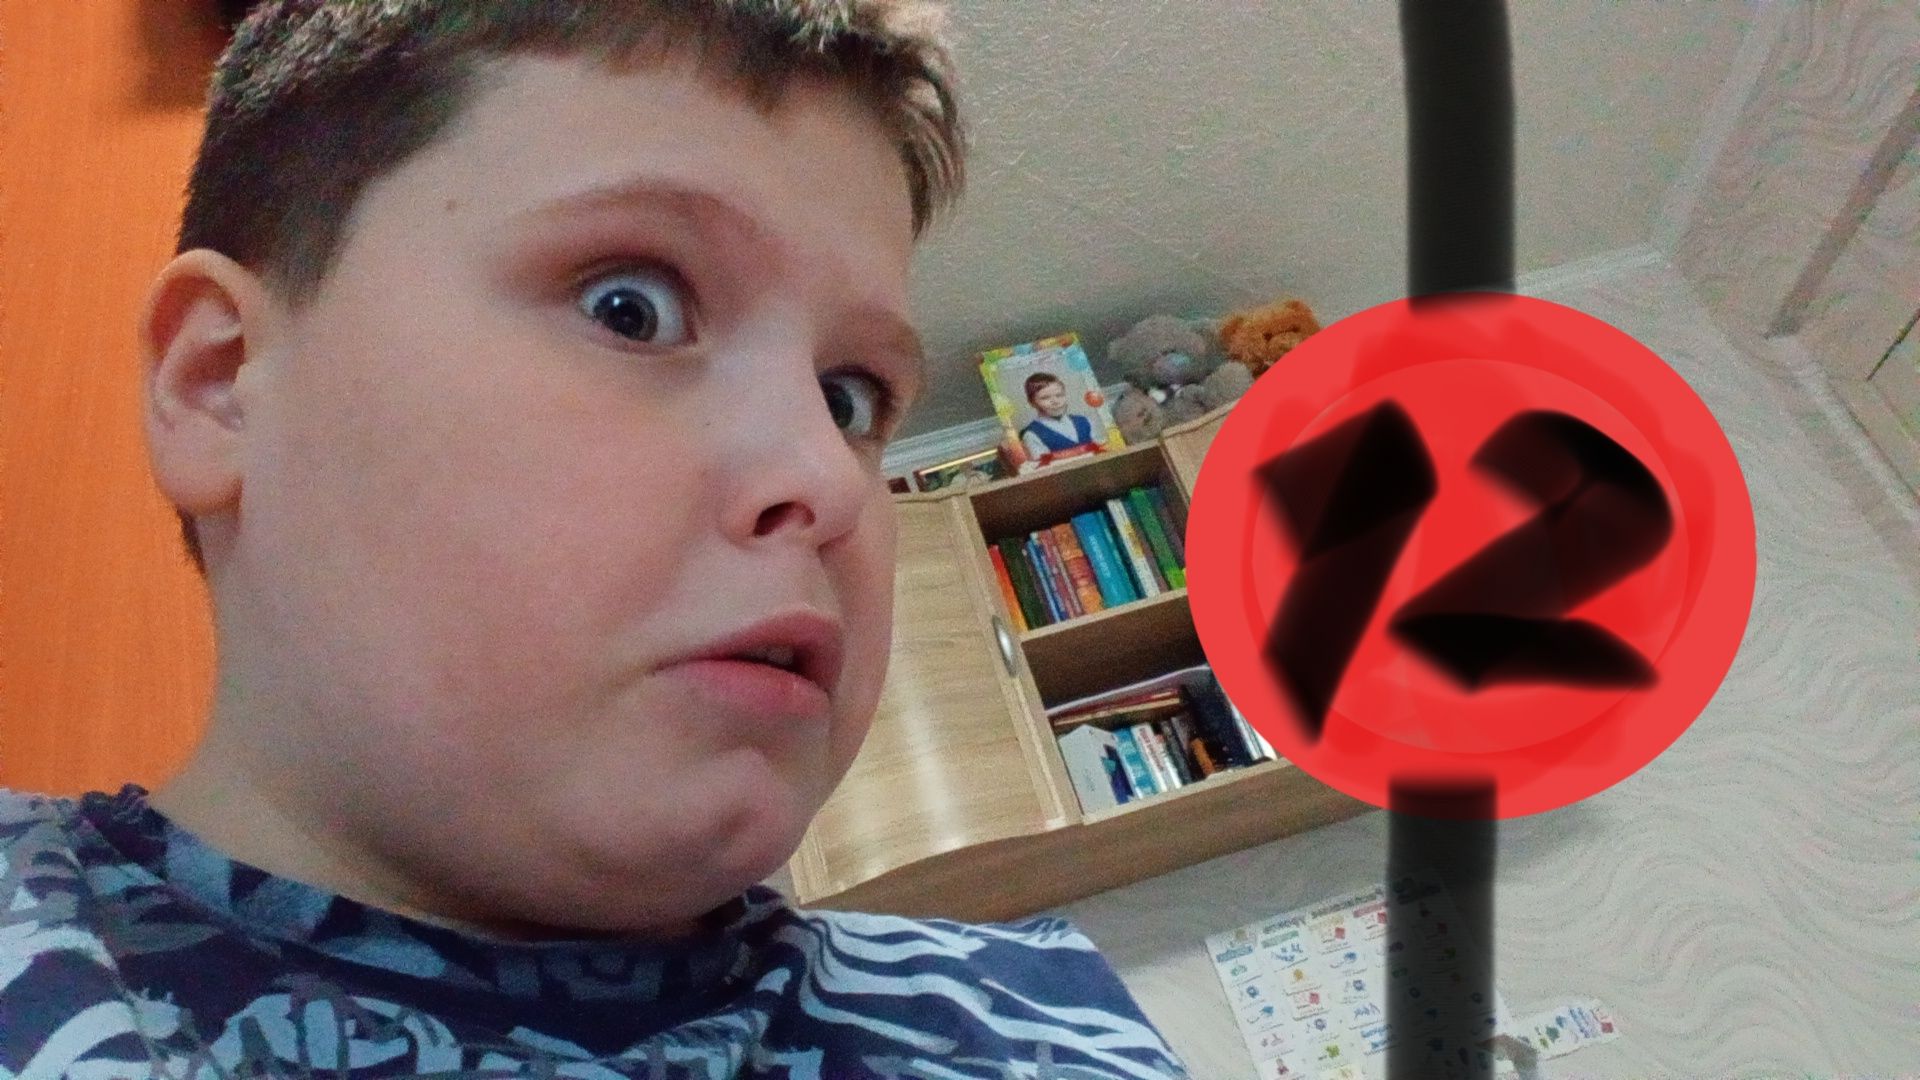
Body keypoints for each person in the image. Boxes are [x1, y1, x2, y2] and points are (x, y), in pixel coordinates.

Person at [0, 3, 1191, 1077]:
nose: (826, 475)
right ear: (221, 385)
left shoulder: (1044, 1033)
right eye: (632, 307)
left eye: (850, 398)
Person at [1018, 372, 1100, 462]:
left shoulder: (1084, 421)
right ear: (1032, 403)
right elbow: (1045, 466)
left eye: (1059, 395)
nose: (1055, 401)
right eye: (1045, 398)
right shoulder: (1031, 434)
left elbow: (1100, 451)